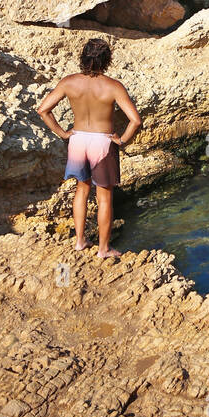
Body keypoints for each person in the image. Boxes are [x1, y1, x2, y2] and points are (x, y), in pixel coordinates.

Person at [35, 37, 142, 259]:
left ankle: (80, 241)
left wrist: (63, 133)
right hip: (102, 142)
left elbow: (43, 110)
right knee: (104, 198)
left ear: (83, 57)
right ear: (107, 59)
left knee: (81, 191)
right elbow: (136, 121)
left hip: (78, 140)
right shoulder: (113, 86)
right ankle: (103, 249)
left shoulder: (69, 82)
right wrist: (122, 140)